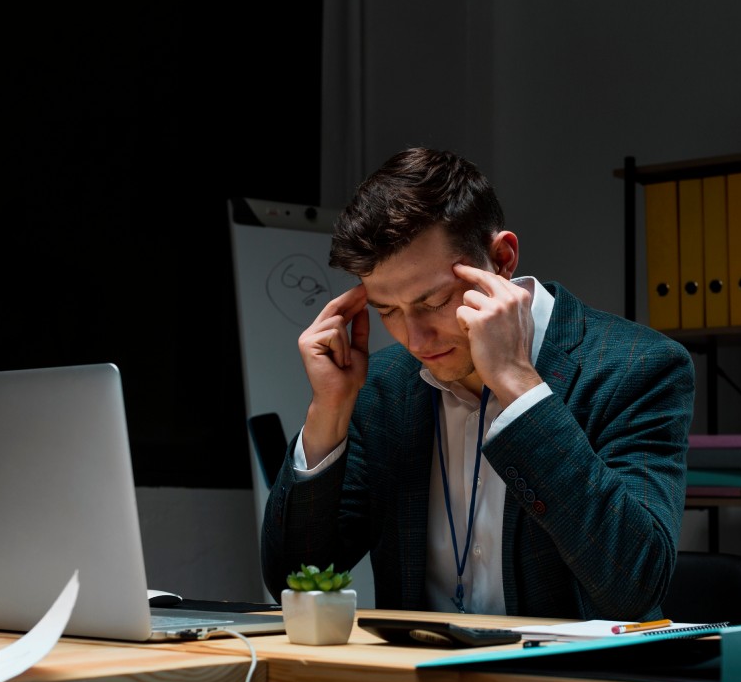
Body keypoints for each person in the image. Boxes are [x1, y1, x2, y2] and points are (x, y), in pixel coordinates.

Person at [261, 147, 694, 621]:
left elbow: (635, 586)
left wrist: (520, 388)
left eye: (434, 301)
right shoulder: (383, 387)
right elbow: (293, 578)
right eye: (387, 310)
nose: (414, 338)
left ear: (502, 258)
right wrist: (328, 413)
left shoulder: (637, 368)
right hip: (418, 681)